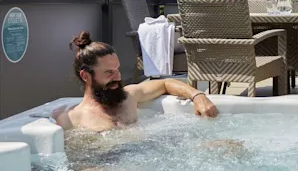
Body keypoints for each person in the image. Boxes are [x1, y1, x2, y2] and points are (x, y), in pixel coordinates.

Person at [53, 31, 219, 132]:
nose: (118, 77)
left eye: (118, 69)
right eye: (109, 73)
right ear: (85, 76)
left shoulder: (129, 96)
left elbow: (165, 83)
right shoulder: (71, 120)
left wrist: (198, 96)